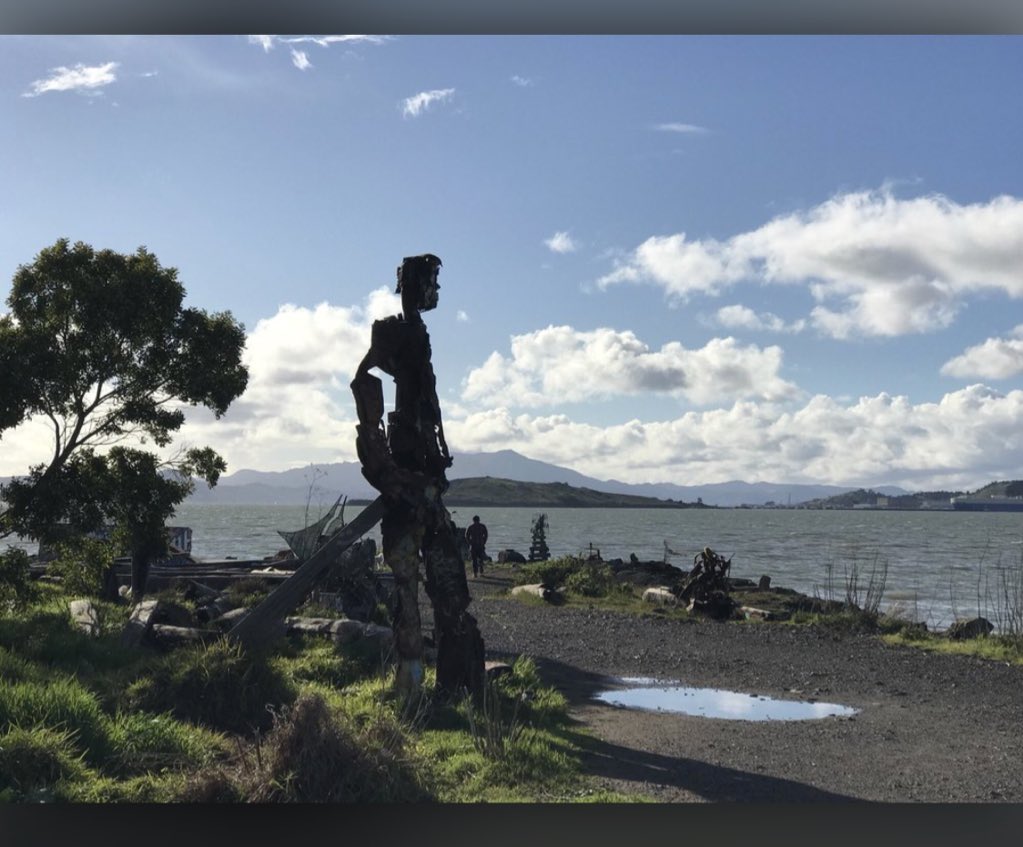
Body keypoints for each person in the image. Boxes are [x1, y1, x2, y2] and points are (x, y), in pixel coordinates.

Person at [350, 253, 485, 700]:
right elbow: (364, 374)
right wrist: (384, 467)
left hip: (426, 474)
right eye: (432, 284)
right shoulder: (394, 331)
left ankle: (456, 683)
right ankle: (410, 683)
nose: (437, 293)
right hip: (407, 477)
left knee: (449, 582)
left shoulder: (417, 335)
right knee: (406, 584)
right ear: (414, 286)